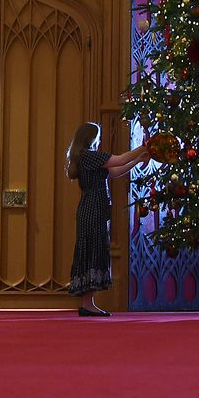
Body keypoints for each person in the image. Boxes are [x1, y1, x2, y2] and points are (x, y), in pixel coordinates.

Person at [66, 122, 147, 316]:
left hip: (94, 208)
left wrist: (138, 160)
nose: (100, 140)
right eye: (98, 136)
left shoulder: (86, 158)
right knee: (92, 251)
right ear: (91, 138)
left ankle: (88, 302)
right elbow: (119, 159)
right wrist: (142, 148)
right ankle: (87, 303)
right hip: (92, 208)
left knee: (93, 250)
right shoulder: (89, 156)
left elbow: (115, 171)